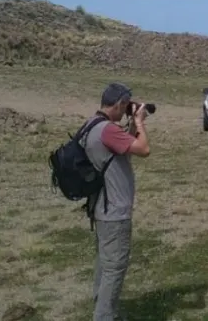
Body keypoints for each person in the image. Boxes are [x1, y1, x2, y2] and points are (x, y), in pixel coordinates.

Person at [83, 82, 152, 321]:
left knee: (105, 264)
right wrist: (141, 122)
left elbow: (125, 146)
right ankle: (103, 316)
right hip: (114, 212)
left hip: (101, 208)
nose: (127, 110)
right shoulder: (108, 130)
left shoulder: (94, 125)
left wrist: (132, 125)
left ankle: (102, 309)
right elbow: (143, 149)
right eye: (125, 106)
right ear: (120, 103)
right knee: (115, 269)